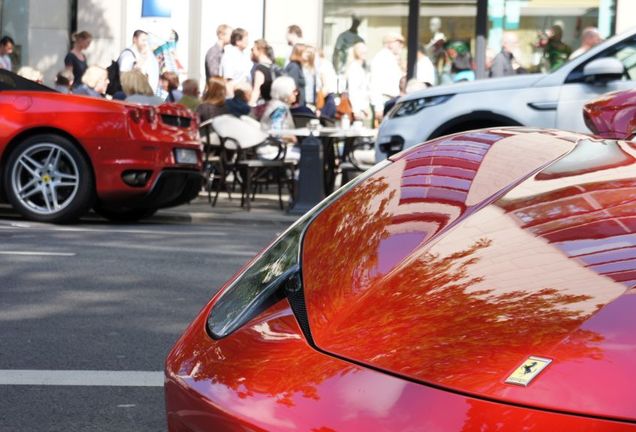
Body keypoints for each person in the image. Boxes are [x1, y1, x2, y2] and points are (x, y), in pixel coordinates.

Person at [369, 33, 404, 124]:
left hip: (393, 101)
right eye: (398, 42)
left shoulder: (392, 58)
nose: (401, 45)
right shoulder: (381, 58)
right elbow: (375, 83)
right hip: (385, 101)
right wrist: (378, 107)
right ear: (389, 44)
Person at [118, 30, 160, 94]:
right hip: (129, 94)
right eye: (143, 40)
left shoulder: (140, 55)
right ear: (135, 39)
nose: (145, 43)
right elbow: (123, 78)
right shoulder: (127, 55)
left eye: (146, 40)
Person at [260, 76, 297, 145]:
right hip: (275, 150)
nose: (296, 93)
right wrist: (291, 138)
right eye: (294, 91)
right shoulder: (280, 108)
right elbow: (275, 132)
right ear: (286, 92)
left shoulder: (274, 104)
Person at [346, 42, 370, 120]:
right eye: (363, 52)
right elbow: (353, 90)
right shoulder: (354, 68)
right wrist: (356, 109)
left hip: (362, 107)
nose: (365, 54)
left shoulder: (360, 68)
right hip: (357, 108)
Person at [250, 39, 276, 105]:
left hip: (263, 104)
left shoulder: (261, 68)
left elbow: (257, 89)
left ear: (260, 50)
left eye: (253, 49)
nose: (252, 51)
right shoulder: (274, 67)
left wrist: (250, 104)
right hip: (274, 102)